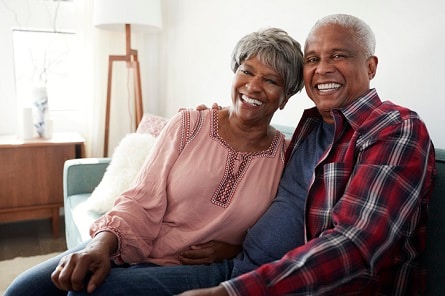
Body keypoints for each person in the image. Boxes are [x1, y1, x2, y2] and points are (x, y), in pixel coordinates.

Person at [4, 27, 305, 295]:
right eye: (247, 71)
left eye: (270, 80)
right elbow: (141, 199)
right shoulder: (189, 124)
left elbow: (277, 234)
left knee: (85, 291)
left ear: (285, 97)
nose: (253, 86)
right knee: (22, 289)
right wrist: (101, 244)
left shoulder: (287, 156)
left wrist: (236, 249)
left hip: (194, 268)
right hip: (132, 239)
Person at [178, 13, 436, 295]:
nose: (322, 69)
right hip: (239, 268)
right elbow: (287, 209)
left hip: (279, 288)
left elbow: (356, 246)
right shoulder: (310, 128)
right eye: (312, 59)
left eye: (338, 56)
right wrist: (213, 125)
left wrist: (231, 292)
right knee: (121, 282)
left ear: (371, 66)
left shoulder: (394, 128)